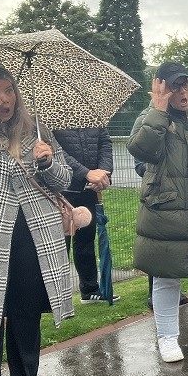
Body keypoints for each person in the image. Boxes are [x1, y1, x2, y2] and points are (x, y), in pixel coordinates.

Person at [0, 63, 74, 376]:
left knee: (24, 308)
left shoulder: (35, 128)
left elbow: (65, 179)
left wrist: (47, 161)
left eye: (8, 90)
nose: (3, 99)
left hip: (32, 234)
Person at [127, 61, 188, 363]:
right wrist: (158, 110)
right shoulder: (150, 118)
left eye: (185, 85)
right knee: (166, 277)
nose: (183, 91)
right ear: (161, 88)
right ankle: (167, 337)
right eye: (175, 86)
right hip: (165, 211)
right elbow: (141, 150)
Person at [52, 126, 119, 303]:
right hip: (61, 189)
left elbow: (105, 143)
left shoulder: (92, 115)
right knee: (59, 245)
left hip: (88, 189)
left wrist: (103, 173)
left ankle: (90, 290)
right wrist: (86, 173)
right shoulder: (52, 116)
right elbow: (56, 150)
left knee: (86, 240)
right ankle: (56, 297)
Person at [132, 155, 188, 310]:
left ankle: (175, 290)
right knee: (158, 246)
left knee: (177, 245)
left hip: (184, 191)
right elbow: (140, 166)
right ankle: (154, 293)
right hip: (158, 194)